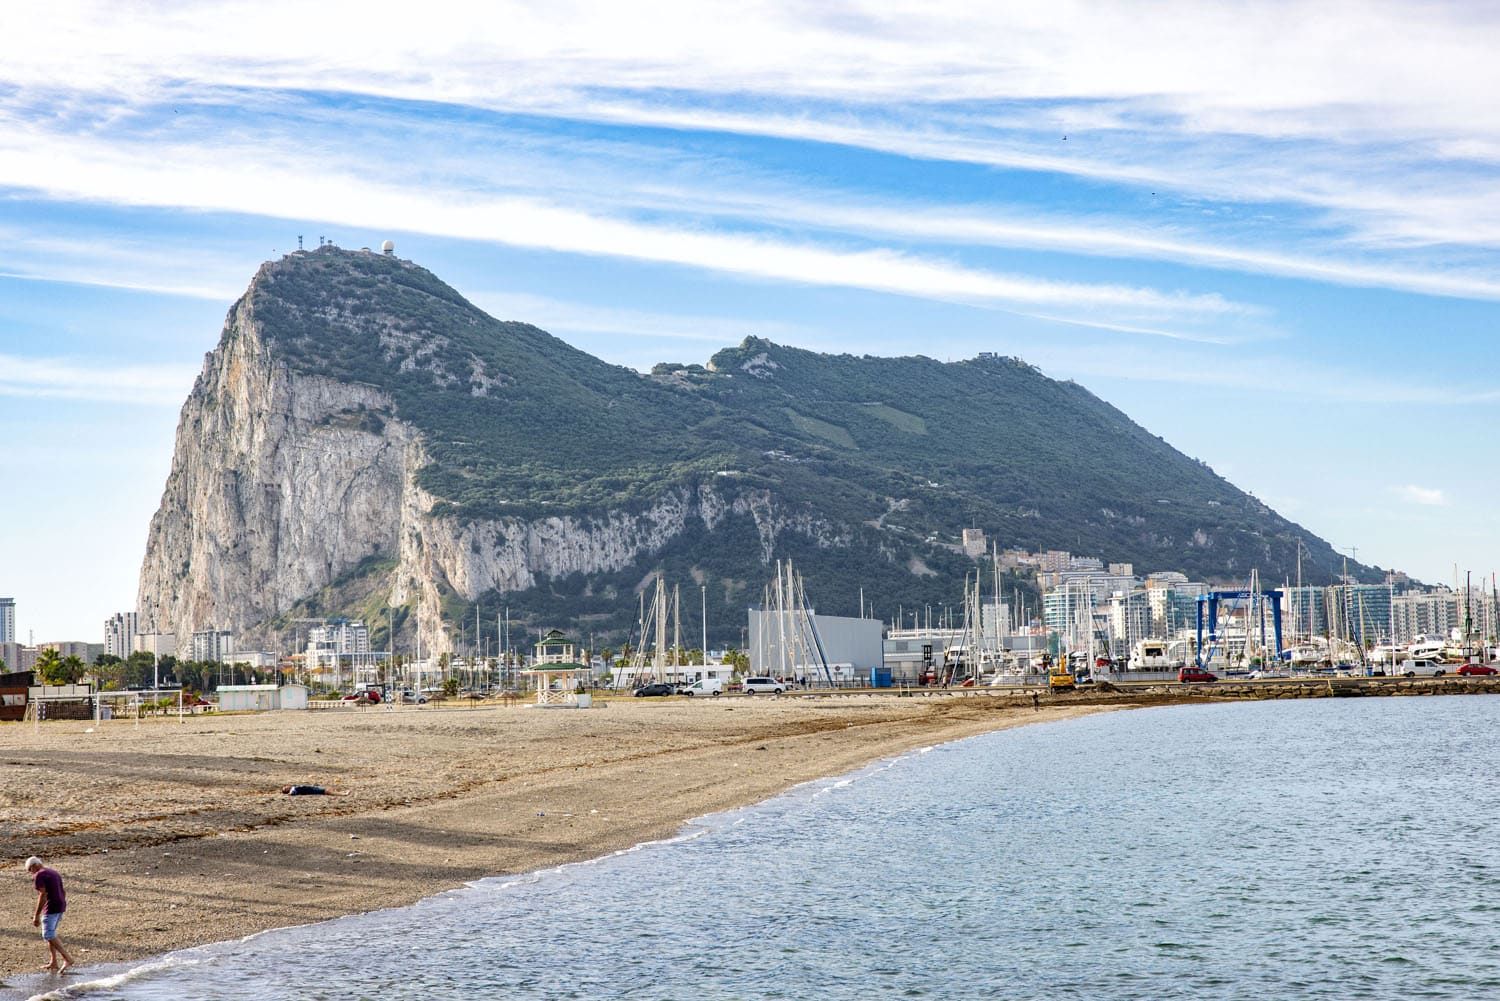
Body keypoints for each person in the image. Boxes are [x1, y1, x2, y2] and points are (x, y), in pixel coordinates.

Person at [25, 856, 73, 973]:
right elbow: (63, 891)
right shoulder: (53, 872)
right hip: (60, 905)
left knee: (48, 934)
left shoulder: (39, 875)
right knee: (51, 934)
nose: (31, 874)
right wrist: (61, 903)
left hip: (51, 907)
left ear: (34, 866)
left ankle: (68, 958)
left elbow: (43, 895)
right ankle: (54, 962)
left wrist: (36, 915)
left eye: (30, 870)